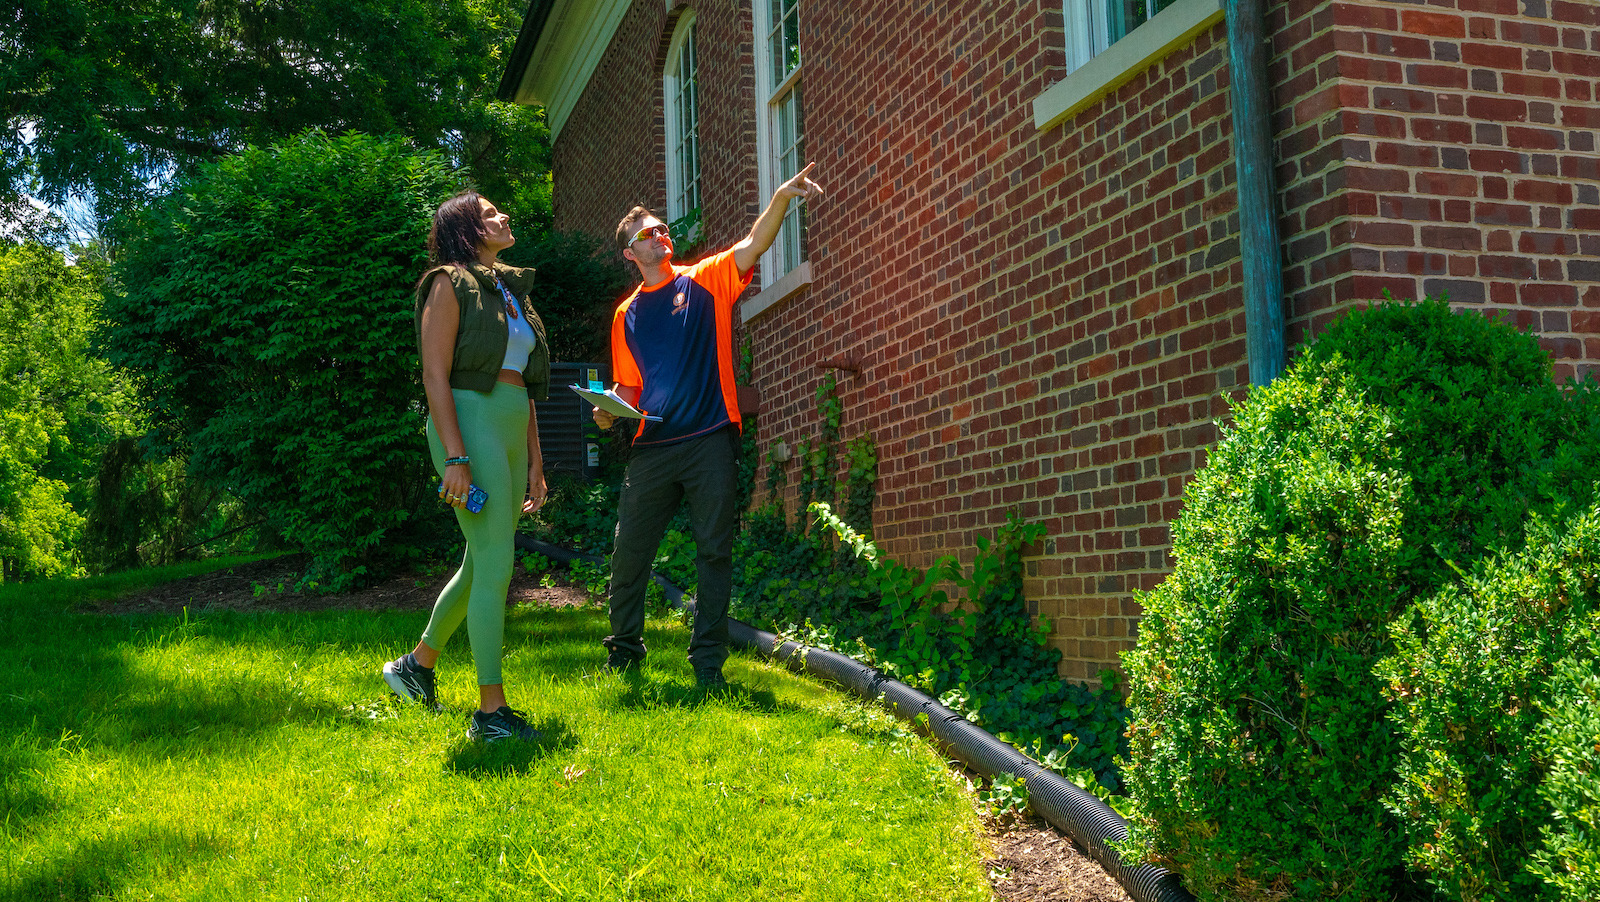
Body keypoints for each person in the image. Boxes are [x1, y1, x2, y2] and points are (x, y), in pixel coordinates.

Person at [594, 163, 824, 688]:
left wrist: (782, 197)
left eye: (661, 228)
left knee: (714, 552)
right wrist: (608, 408)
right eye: (647, 234)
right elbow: (629, 385)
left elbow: (754, 244)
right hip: (651, 447)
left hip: (710, 441)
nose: (660, 235)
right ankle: (625, 651)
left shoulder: (706, 279)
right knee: (629, 551)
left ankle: (707, 666)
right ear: (631, 254)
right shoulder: (624, 314)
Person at [381, 191, 549, 742]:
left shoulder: (511, 289)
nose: (504, 217)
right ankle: (490, 713)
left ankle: (415, 668)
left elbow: (521, 382)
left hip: (508, 423)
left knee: (482, 561)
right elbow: (434, 376)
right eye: (491, 214)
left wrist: (536, 464)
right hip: (468, 422)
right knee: (497, 563)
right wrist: (455, 456)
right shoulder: (447, 283)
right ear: (466, 229)